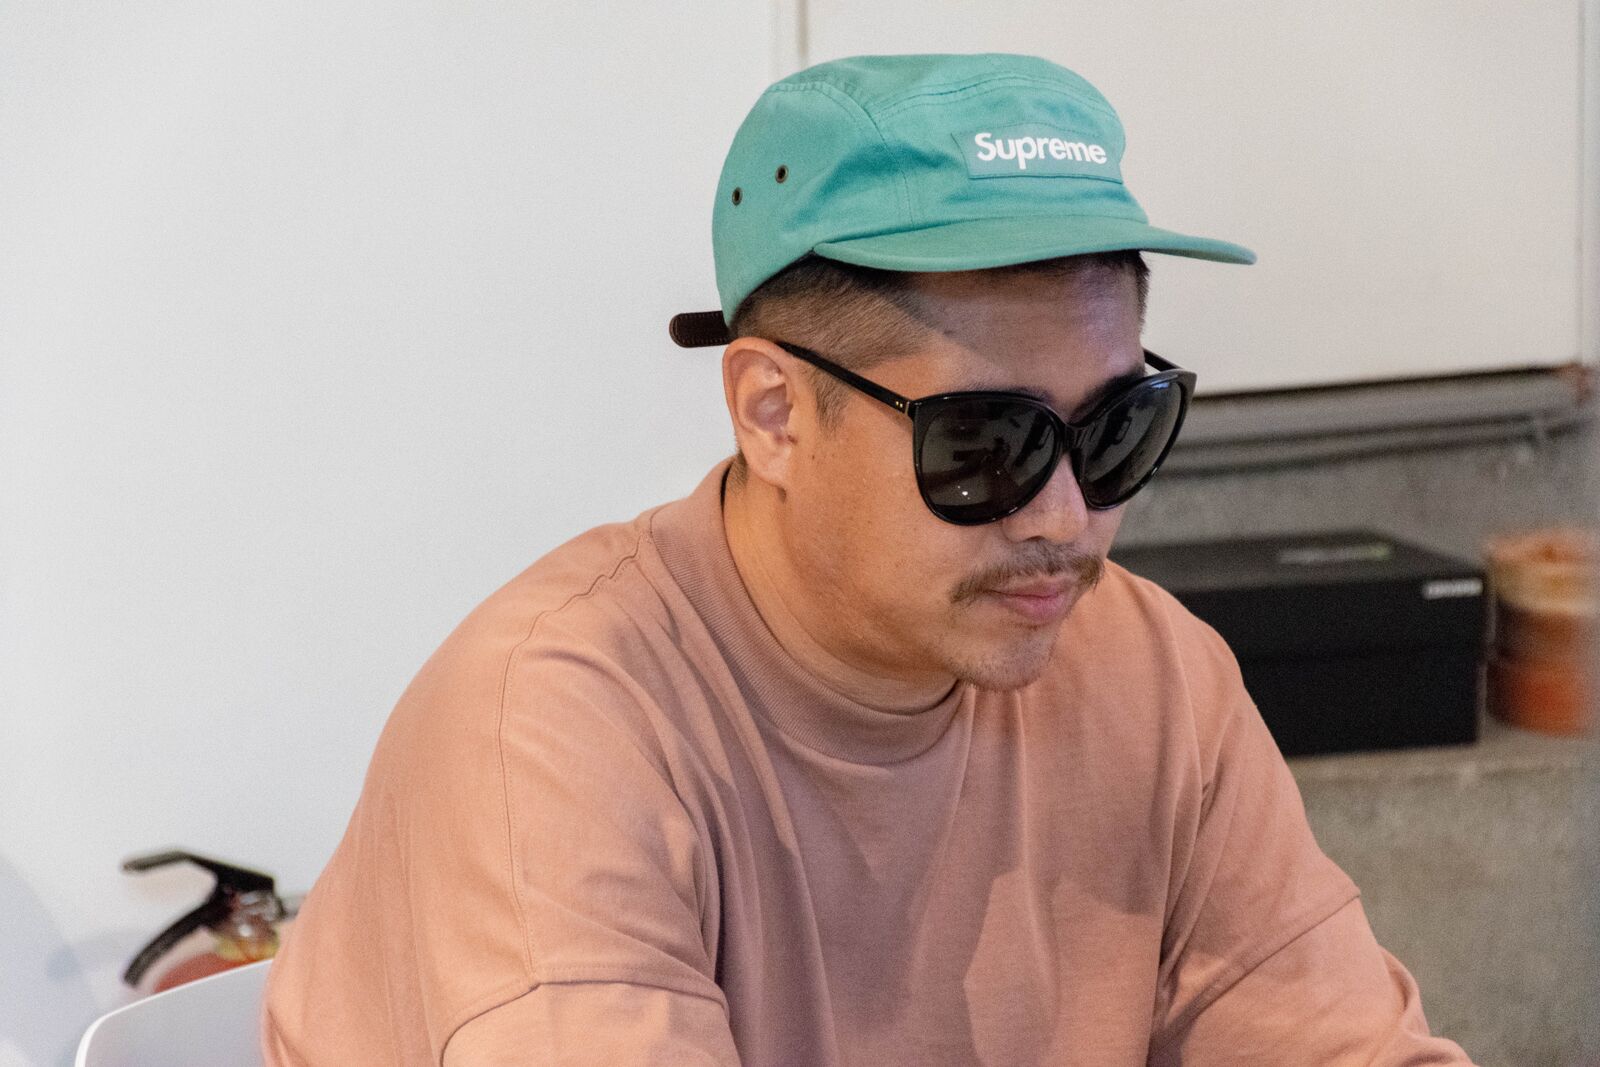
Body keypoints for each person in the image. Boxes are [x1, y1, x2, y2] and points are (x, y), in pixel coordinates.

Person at [262, 53, 1475, 1066]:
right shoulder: (556, 723)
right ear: (774, 414)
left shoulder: (1149, 673)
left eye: (1119, 428)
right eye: (985, 445)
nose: (1064, 516)